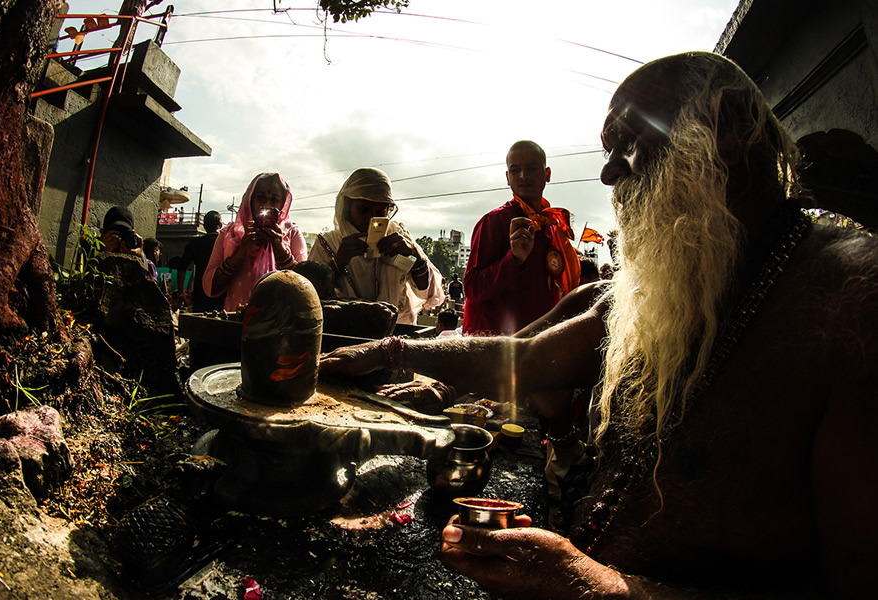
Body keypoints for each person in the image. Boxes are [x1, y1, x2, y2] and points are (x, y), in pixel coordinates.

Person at [320, 51, 878, 598]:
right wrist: (390, 351)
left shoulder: (851, 303)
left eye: (629, 144)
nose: (609, 173)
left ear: (727, 129)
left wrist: (598, 587)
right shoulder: (672, 288)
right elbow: (527, 358)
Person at [462, 140, 581, 335]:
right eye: (516, 170)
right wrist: (514, 259)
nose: (523, 176)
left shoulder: (550, 226)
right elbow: (473, 289)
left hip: (539, 343)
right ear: (508, 178)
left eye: (532, 168)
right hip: (499, 348)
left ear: (547, 174)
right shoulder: (493, 222)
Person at [308, 167, 444, 324]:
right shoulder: (328, 243)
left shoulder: (398, 237)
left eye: (380, 211)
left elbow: (428, 293)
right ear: (347, 207)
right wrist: (337, 262)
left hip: (395, 334)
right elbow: (308, 297)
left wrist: (415, 256)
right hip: (346, 335)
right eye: (363, 209)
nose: (371, 218)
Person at [203, 173, 307, 312]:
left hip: (279, 325)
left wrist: (280, 250)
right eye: (261, 197)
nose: (267, 204)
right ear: (250, 199)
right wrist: (241, 252)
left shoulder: (291, 233)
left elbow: (306, 287)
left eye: (274, 200)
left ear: (283, 204)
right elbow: (210, 286)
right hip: (236, 321)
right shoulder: (229, 234)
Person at [176, 210, 225, 313]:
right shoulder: (226, 243)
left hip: (200, 293)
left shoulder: (195, 243)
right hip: (222, 291)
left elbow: (182, 267)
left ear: (205, 226)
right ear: (220, 225)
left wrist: (181, 292)